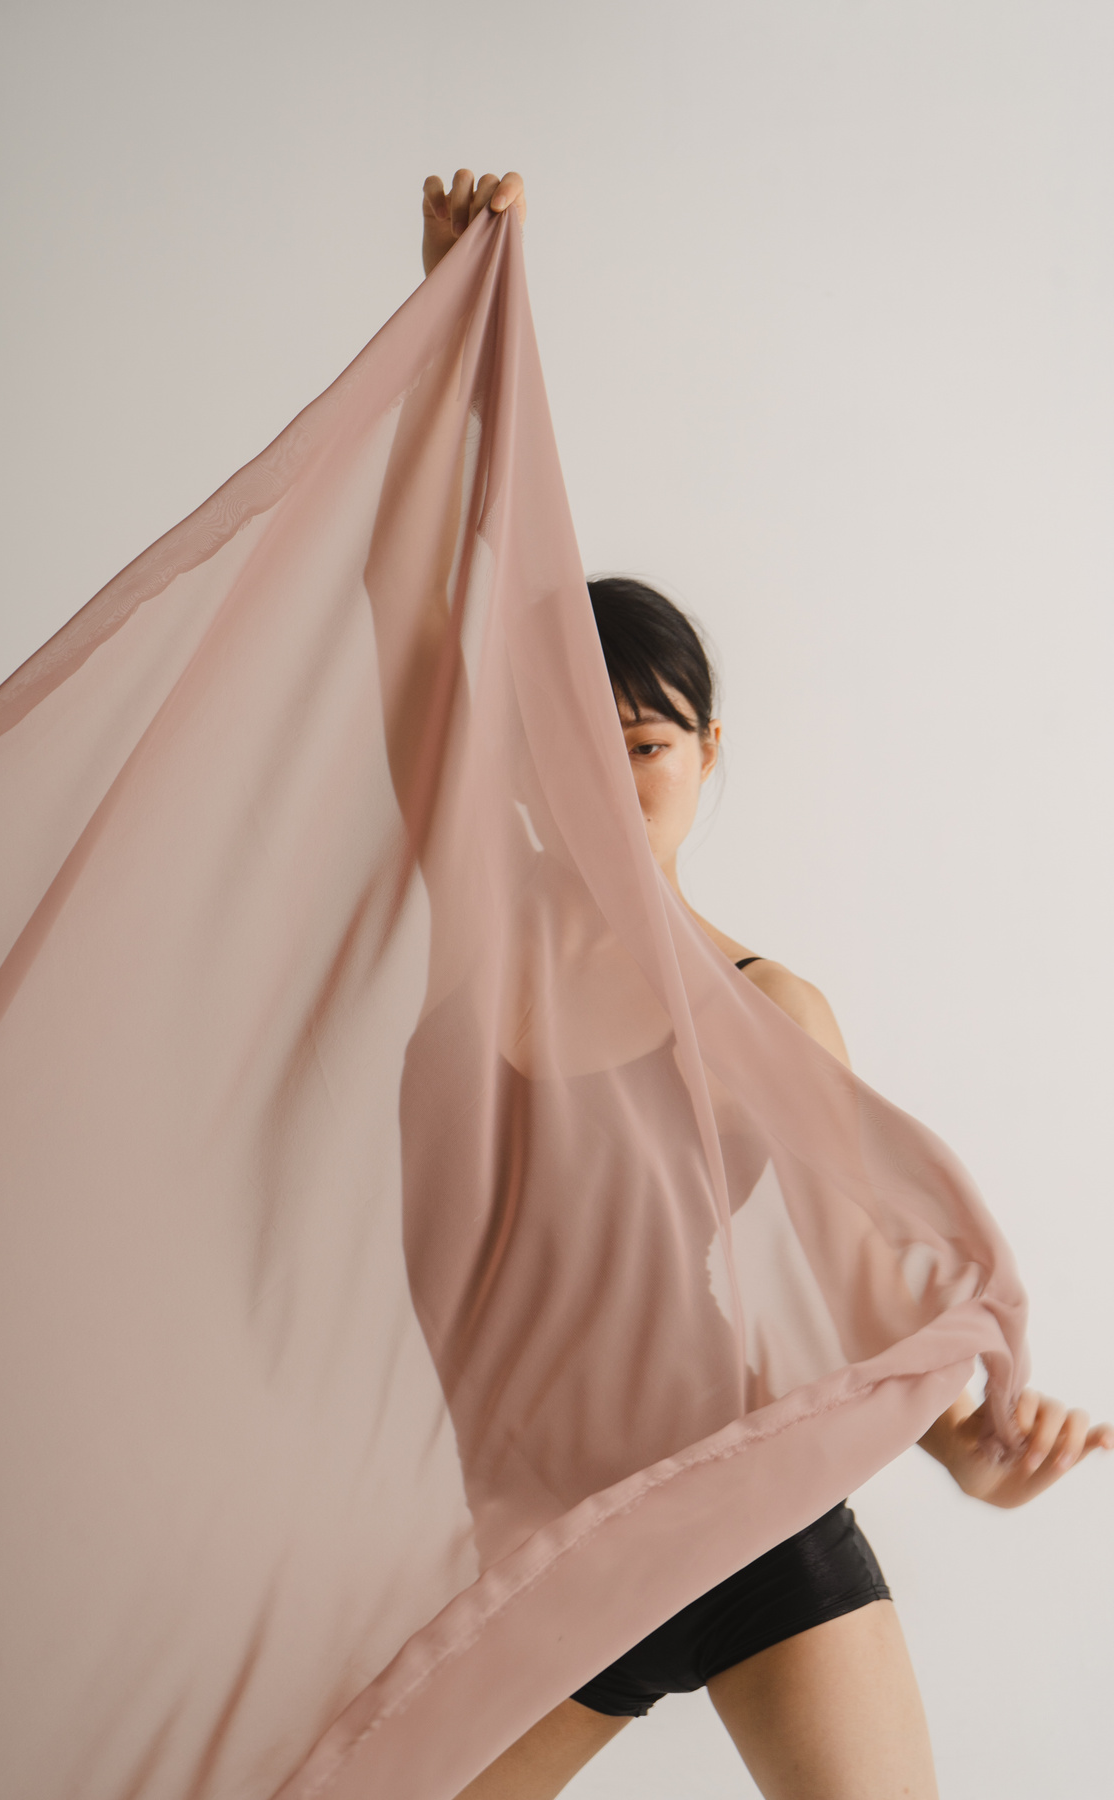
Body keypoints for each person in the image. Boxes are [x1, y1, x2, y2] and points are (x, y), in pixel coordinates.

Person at [420, 172, 1113, 1800]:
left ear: (706, 757)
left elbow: (865, 1301)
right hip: (546, 1566)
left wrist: (967, 1450)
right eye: (577, 747)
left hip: (747, 1523)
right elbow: (414, 638)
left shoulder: (769, 1012)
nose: (612, 780)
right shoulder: (468, 966)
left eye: (646, 748)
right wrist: (457, 345)